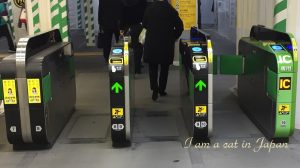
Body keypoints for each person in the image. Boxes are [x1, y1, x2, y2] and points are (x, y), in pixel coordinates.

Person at [142, 0, 183, 101]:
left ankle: (154, 88)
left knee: (153, 67)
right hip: (166, 43)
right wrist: (173, 36)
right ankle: (162, 89)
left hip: (152, 42)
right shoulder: (171, 10)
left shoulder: (149, 9)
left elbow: (144, 24)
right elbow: (180, 26)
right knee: (164, 68)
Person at [120, 0, 147, 74]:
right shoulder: (142, 2)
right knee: (138, 47)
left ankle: (127, 67)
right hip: (138, 27)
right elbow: (145, 14)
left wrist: (121, 29)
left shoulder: (123, 2)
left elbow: (122, 16)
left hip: (127, 28)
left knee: (126, 47)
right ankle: (137, 68)